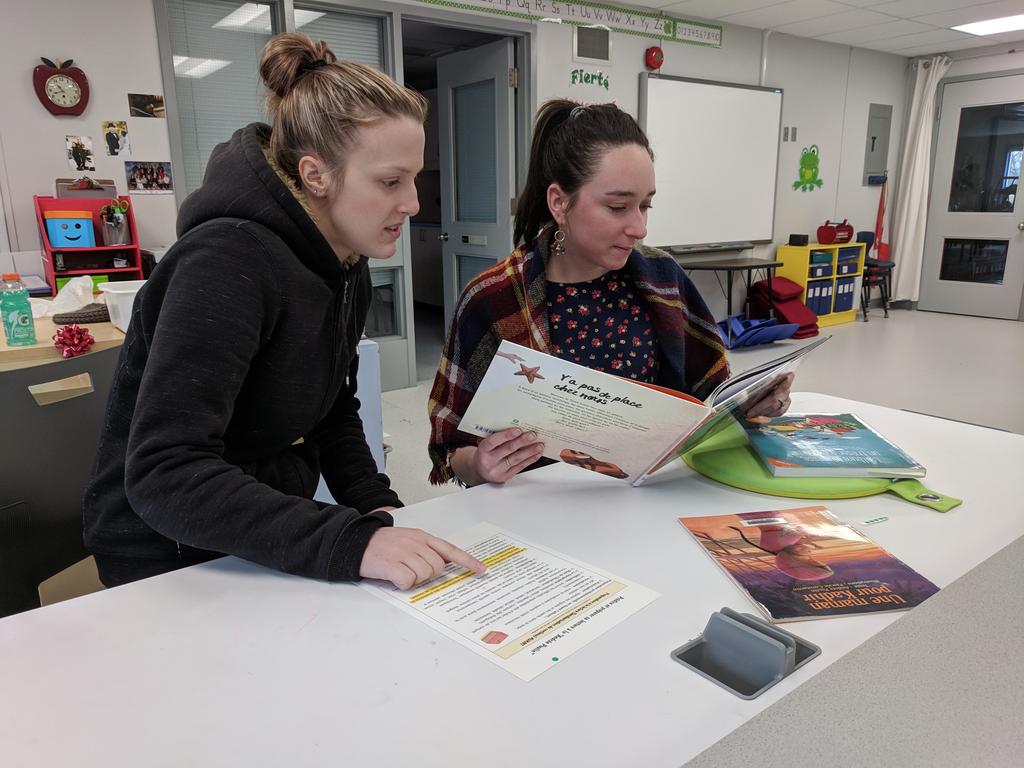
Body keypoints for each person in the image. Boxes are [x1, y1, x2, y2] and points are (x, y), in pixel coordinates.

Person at [84, 33, 484, 591]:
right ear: (316, 174)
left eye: (412, 178)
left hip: (258, 526)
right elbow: (164, 474)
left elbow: (329, 409)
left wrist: (380, 509)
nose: (413, 203)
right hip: (165, 552)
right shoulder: (224, 262)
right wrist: (349, 539)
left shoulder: (345, 259)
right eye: (391, 181)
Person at [427, 99, 793, 487]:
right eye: (618, 207)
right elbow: (451, 449)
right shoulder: (494, 298)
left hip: (649, 500)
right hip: (536, 513)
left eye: (645, 205)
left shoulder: (662, 278)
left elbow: (708, 402)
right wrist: (481, 464)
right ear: (559, 202)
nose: (639, 227)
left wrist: (749, 407)